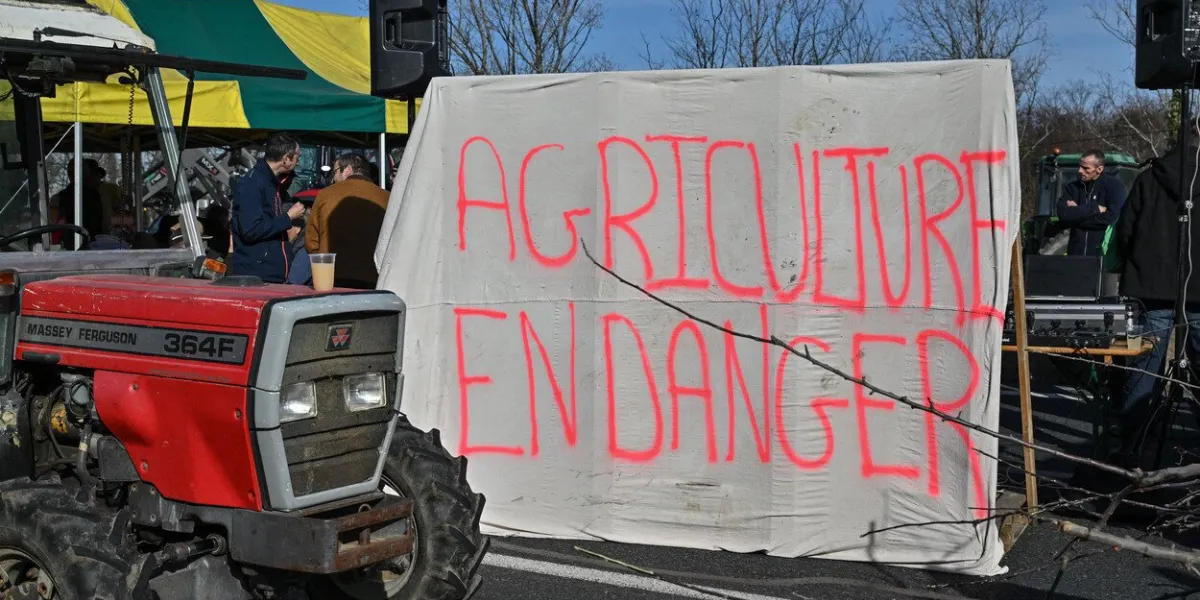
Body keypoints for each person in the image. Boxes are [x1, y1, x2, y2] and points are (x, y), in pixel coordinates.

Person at [1112, 122, 1200, 456]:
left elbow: (1126, 229)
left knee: (1144, 367)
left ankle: (1133, 448)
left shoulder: (1149, 177)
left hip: (1150, 287)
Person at [303, 153, 390, 289]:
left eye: (335, 172)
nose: (333, 179)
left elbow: (311, 241)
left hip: (332, 276)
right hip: (374, 277)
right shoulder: (387, 197)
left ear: (348, 169)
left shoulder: (326, 194)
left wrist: (324, 261)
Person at [230, 132, 305, 283]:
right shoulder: (253, 184)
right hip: (257, 277)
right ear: (286, 159)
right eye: (298, 157)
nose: (298, 162)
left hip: (270, 274)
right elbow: (251, 230)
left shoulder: (271, 183)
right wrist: (288, 217)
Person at [1055, 149, 1127, 257]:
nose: (1080, 171)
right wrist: (1094, 209)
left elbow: (1112, 218)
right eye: (1080, 166)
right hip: (1075, 255)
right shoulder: (1072, 188)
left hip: (1102, 255)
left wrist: (1077, 215)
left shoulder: (1115, 187)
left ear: (1099, 169)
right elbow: (1063, 214)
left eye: (1085, 168)